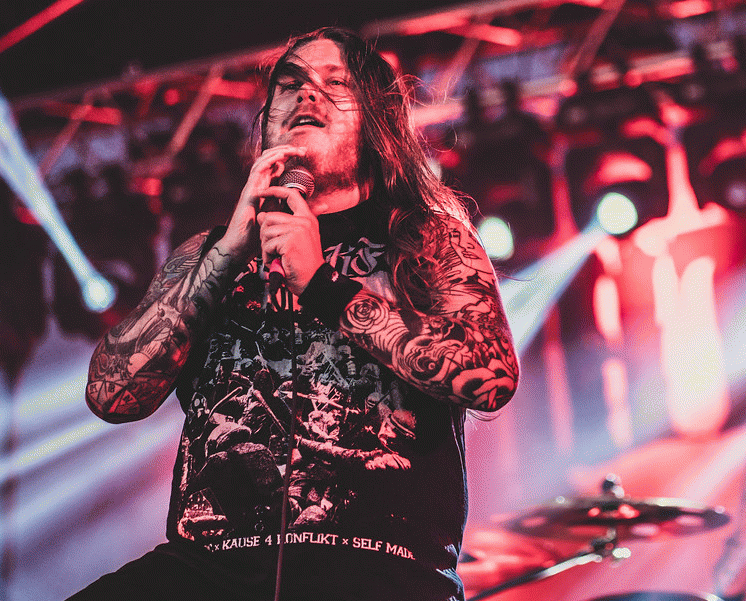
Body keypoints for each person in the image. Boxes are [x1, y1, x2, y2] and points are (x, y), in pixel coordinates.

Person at [73, 26, 519, 601]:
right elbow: (111, 395)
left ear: (376, 123)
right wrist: (228, 252)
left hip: (376, 568)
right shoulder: (208, 253)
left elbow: (490, 375)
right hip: (210, 567)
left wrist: (322, 286)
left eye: (336, 84)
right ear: (266, 124)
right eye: (290, 84)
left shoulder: (426, 238)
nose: (308, 94)